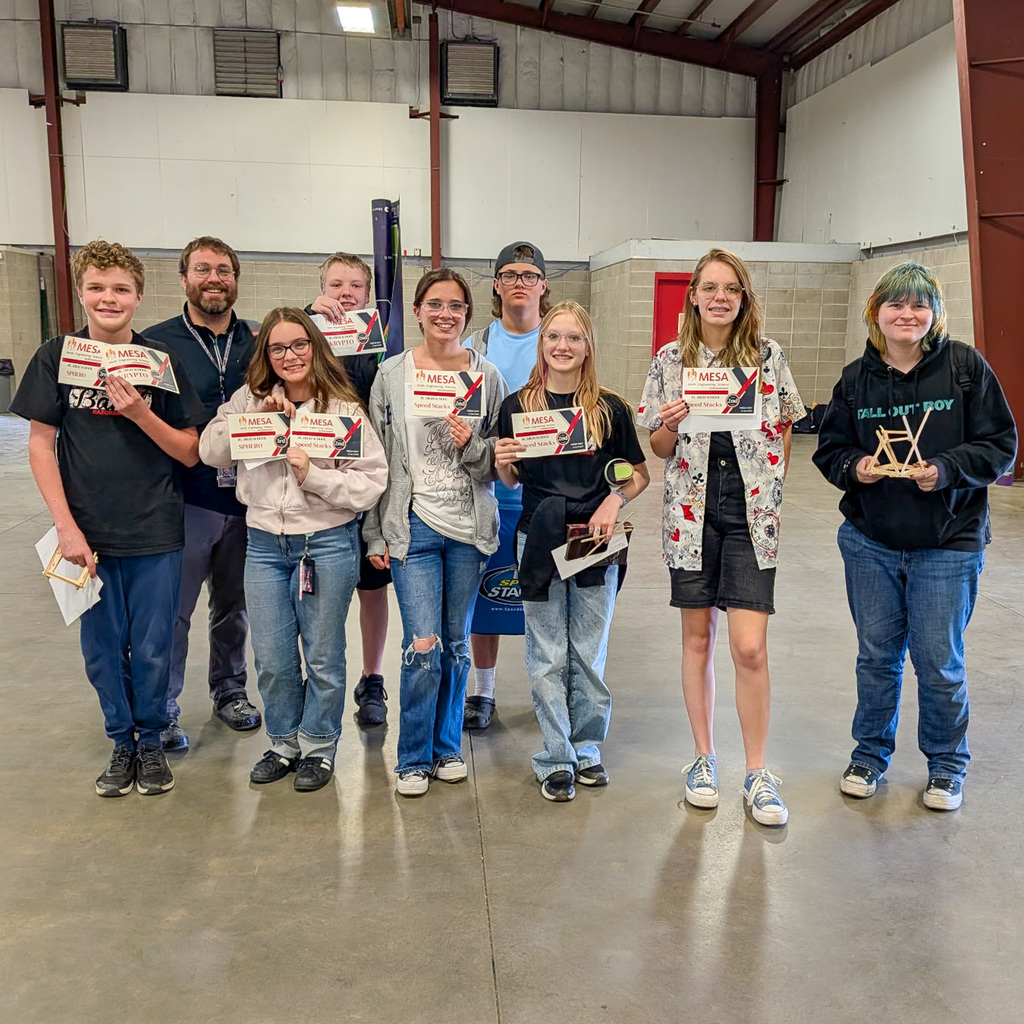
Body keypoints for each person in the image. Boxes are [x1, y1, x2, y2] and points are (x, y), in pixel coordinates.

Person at [813, 261, 1015, 812]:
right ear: (875, 312)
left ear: (934, 312)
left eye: (918, 304)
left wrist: (946, 469)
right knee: (876, 657)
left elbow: (1002, 446)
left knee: (938, 661)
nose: (907, 314)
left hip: (947, 545)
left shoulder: (965, 368)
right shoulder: (857, 379)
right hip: (871, 542)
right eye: (895, 304)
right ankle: (869, 754)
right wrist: (857, 466)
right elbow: (828, 450)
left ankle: (947, 766)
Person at [10, 240, 205, 797]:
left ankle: (149, 741)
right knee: (101, 647)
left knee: (150, 645)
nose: (108, 297)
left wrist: (140, 411)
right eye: (96, 287)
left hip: (154, 530)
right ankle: (120, 740)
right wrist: (66, 528)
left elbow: (189, 450)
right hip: (85, 536)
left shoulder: (158, 363)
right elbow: (41, 445)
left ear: (138, 296)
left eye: (120, 288)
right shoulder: (56, 357)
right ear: (81, 293)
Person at [637, 247, 804, 827]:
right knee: (698, 640)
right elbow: (657, 449)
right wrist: (670, 422)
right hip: (691, 513)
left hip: (751, 516)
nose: (719, 297)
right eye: (708, 287)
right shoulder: (669, 360)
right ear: (694, 297)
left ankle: (758, 773)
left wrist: (769, 486)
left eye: (730, 288)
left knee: (750, 647)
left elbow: (785, 428)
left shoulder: (768, 356)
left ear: (743, 297)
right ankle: (704, 759)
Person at [199, 308, 388, 792]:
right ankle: (284, 742)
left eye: (299, 345)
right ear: (266, 354)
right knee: (273, 655)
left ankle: (319, 746)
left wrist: (313, 475)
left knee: (323, 654)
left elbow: (371, 482)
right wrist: (253, 420)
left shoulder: (342, 408)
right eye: (278, 348)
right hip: (262, 543)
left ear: (315, 347)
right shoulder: (248, 399)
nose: (290, 356)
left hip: (325, 543)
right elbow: (209, 452)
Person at [495, 301, 649, 802]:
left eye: (574, 338)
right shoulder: (518, 407)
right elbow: (513, 478)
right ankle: (555, 756)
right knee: (546, 652)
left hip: (594, 540)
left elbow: (638, 474)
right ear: (542, 344)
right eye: (553, 336)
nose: (563, 346)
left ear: (588, 346)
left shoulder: (610, 409)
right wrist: (503, 462)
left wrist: (613, 500)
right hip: (539, 535)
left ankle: (586, 749)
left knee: (587, 650)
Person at [363, 269, 506, 797]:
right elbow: (375, 458)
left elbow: (499, 463)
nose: (446, 314)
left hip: (468, 530)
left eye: (457, 306)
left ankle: (447, 748)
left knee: (454, 646)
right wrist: (375, 533)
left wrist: (472, 444)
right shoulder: (392, 374)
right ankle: (412, 756)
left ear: (468, 315)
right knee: (422, 644)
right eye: (435, 304)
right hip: (412, 526)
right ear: (418, 312)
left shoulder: (487, 376)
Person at [144, 237, 261, 751]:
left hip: (248, 498)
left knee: (233, 607)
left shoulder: (257, 340)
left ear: (235, 279)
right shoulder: (154, 343)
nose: (214, 279)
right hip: (183, 498)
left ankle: (229, 689)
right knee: (173, 611)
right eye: (202, 270)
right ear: (184, 278)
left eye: (223, 271)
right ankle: (162, 708)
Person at [464, 241, 550, 731]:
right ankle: (485, 691)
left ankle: (547, 686)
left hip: (544, 496)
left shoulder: (559, 340)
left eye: (529, 274)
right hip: (488, 492)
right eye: (510, 274)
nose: (520, 282)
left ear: (542, 284)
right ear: (497, 285)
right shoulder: (477, 345)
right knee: (485, 599)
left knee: (542, 601)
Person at [303, 252, 390, 728]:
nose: (345, 294)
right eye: (336, 285)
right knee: (320, 595)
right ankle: (318, 678)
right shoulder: (305, 334)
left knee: (372, 587)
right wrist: (309, 316)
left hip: (365, 485)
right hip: (313, 490)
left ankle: (372, 678)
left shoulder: (378, 342)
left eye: (355, 285)